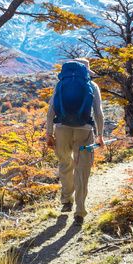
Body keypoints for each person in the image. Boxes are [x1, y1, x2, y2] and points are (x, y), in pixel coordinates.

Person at [45, 58, 104, 226]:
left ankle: (66, 201)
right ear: (87, 72)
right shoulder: (92, 86)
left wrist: (49, 134)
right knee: (82, 169)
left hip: (61, 129)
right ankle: (80, 212)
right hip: (84, 130)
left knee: (65, 164)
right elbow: (98, 114)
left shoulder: (60, 85)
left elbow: (51, 111)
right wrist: (100, 135)